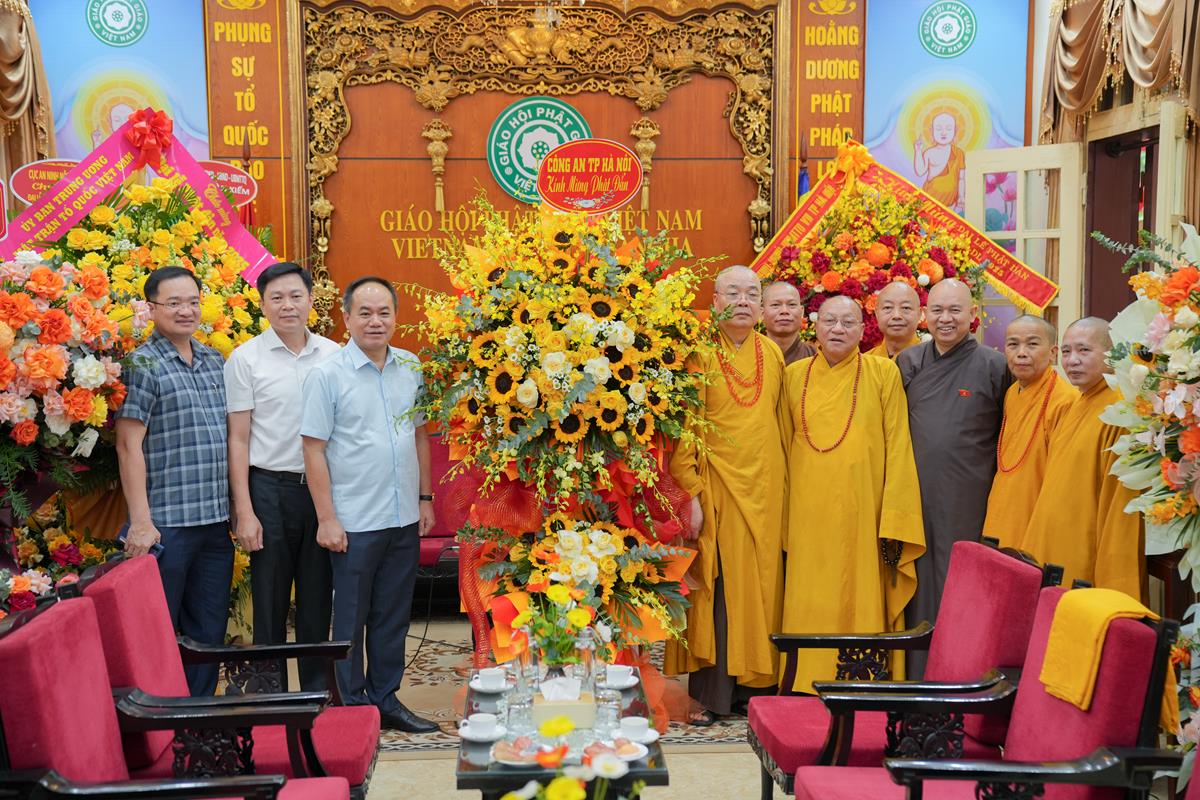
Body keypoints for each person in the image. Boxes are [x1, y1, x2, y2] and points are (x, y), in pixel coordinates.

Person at [301, 276, 439, 732]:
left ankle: (385, 699)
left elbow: (419, 436)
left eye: (384, 312)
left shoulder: (410, 367)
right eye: (364, 312)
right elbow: (313, 450)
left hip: (402, 516)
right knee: (350, 619)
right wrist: (327, 519)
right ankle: (352, 707)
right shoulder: (327, 375)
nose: (375, 321)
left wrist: (424, 498)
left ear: (396, 317)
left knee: (392, 616)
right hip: (354, 519)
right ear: (346, 318)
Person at [782, 296, 924, 691]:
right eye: (830, 321)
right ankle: (802, 678)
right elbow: (778, 447)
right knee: (809, 595)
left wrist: (894, 517)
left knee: (860, 593)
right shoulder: (793, 376)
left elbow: (899, 446)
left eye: (848, 322)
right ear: (815, 327)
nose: (838, 329)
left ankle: (860, 679)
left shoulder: (883, 373)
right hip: (807, 514)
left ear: (864, 330)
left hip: (865, 512)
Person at [666, 265, 787, 725]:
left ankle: (755, 689)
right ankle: (714, 695)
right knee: (719, 591)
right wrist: (691, 493)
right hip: (717, 487)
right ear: (715, 302)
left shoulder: (771, 353)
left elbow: (781, 425)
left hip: (766, 489)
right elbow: (684, 431)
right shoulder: (698, 354)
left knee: (763, 587)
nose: (743, 301)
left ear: (761, 305)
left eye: (752, 294)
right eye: (732, 293)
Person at [115, 265, 231, 696]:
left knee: (208, 633)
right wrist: (141, 521)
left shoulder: (214, 361)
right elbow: (128, 445)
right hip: (166, 526)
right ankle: (161, 720)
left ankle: (199, 721)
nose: (186, 311)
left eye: (193, 302)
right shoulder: (142, 365)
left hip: (214, 523)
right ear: (151, 309)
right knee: (158, 632)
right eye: (174, 303)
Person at [225, 263, 340, 691]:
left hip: (321, 492)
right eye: (277, 298)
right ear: (263, 305)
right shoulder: (245, 359)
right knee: (269, 598)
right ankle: (269, 694)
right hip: (268, 489)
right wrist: (244, 510)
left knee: (317, 598)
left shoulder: (334, 355)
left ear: (311, 300)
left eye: (295, 296)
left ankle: (315, 694)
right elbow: (238, 439)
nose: (287, 305)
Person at [896, 278, 1010, 677]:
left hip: (969, 497)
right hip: (914, 495)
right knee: (917, 579)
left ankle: (962, 676)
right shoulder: (908, 362)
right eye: (938, 310)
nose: (946, 319)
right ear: (925, 315)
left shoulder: (995, 366)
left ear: (973, 315)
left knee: (962, 582)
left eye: (955, 310)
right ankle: (914, 673)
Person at [1018, 318, 1144, 597]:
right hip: (1051, 545)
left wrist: (1114, 582)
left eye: (1084, 350)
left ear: (1111, 353)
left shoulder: (1121, 410)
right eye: (1066, 351)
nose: (1072, 360)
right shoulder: (1078, 403)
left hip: (1083, 555)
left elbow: (1119, 508)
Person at [981, 316, 1078, 546]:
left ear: (1053, 353)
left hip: (1036, 514)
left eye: (1032, 344)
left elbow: (1063, 479)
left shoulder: (1066, 400)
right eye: (1013, 344)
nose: (1021, 353)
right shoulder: (1011, 393)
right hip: (1002, 508)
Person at [914, 111, 966, 211]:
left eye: (948, 129)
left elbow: (961, 178)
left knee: (948, 220)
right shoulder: (929, 152)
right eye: (938, 129)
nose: (943, 133)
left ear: (955, 130)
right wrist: (918, 151)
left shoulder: (959, 153)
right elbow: (920, 172)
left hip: (950, 201)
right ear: (932, 131)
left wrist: (961, 196)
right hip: (930, 198)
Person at [762, 280, 816, 365]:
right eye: (775, 305)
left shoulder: (817, 357)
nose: (784, 311)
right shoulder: (749, 357)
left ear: (801, 312)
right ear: (762, 313)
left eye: (792, 305)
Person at [869, 280, 922, 359]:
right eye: (887, 307)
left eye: (906, 308)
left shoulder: (931, 360)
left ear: (919, 314)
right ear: (877, 313)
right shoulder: (865, 362)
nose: (896, 315)